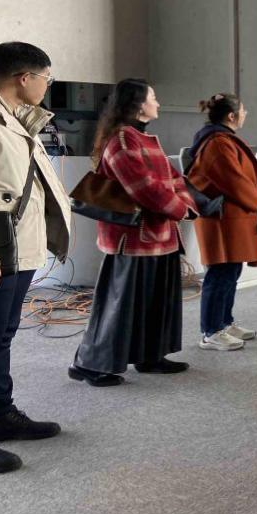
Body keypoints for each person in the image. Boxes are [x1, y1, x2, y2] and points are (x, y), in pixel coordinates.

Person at [70, 79, 197, 387]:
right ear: (139, 105)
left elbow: (174, 178)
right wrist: (181, 209)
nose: (158, 102)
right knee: (119, 306)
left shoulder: (141, 138)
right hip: (133, 239)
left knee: (156, 302)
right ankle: (90, 365)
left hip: (159, 235)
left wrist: (185, 203)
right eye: (153, 97)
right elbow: (144, 188)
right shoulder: (123, 141)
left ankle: (150, 356)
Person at [0, 42, 72, 474]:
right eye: (47, 77)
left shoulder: (17, 118)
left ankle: (1, 414)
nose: (47, 85)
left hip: (18, 248)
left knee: (2, 335)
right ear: (24, 77)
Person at [186, 93, 257, 351]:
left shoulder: (223, 139)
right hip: (221, 219)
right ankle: (211, 331)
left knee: (231, 272)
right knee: (220, 273)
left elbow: (249, 179)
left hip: (231, 218)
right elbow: (234, 182)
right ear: (232, 116)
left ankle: (224, 323)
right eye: (243, 110)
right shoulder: (217, 143)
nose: (245, 114)